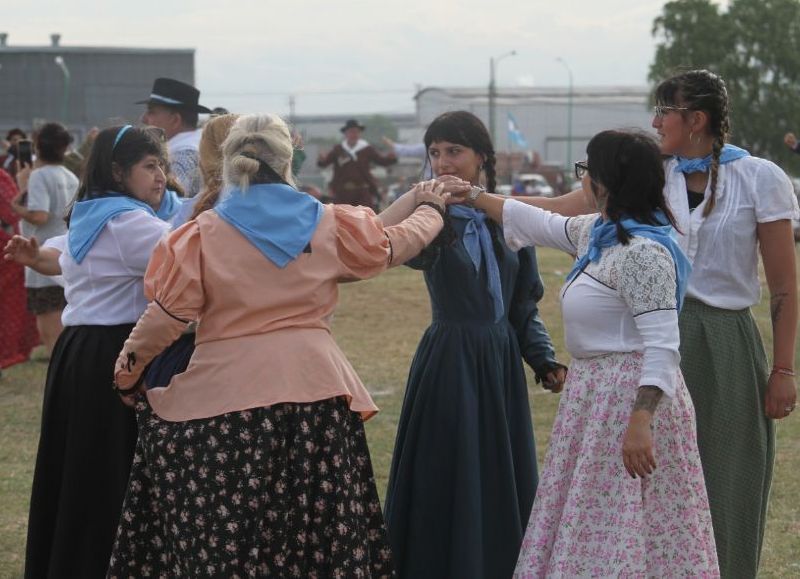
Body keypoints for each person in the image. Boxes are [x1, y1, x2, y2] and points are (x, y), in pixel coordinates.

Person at [106, 113, 447, 577]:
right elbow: (390, 246)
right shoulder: (326, 222)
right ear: (289, 160)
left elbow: (165, 319)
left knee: (237, 538)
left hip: (227, 400)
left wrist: (128, 372)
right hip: (318, 396)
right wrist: (431, 210)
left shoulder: (200, 236)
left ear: (228, 163)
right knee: (320, 534)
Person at [513, 69, 799, 578]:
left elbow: (782, 286)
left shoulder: (760, 177)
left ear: (697, 119)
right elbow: (559, 212)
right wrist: (477, 199)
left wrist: (782, 370)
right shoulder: (648, 172)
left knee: (724, 480)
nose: (654, 120)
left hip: (725, 345)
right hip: (646, 342)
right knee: (652, 490)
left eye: (665, 110)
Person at [459, 129, 717, 576]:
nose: (581, 179)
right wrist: (473, 195)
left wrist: (640, 421)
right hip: (596, 399)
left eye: (585, 170)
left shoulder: (643, 252)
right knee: (597, 518)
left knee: (631, 524)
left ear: (605, 181)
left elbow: (662, 346)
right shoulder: (599, 233)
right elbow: (539, 221)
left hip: (628, 402)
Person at [380, 110, 566, 579]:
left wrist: (543, 360)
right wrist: (424, 209)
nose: (443, 162)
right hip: (450, 362)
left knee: (498, 475)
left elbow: (523, 306)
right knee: (448, 473)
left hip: (499, 361)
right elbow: (392, 246)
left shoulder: (510, 222)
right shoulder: (432, 222)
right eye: (435, 153)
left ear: (481, 156)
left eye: (454, 151)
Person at [4, 125, 172, 578]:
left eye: (162, 166)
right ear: (118, 171)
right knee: (112, 473)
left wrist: (35, 257)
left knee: (82, 468)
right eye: (149, 166)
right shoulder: (130, 223)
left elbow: (61, 257)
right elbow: (189, 259)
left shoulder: (93, 215)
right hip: (116, 353)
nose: (160, 177)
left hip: (79, 354)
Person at [11, 123, 77, 356]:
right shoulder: (70, 176)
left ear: (37, 146)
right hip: (66, 255)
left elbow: (39, 215)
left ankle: (62, 381)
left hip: (41, 256)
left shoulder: (39, 176)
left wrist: (16, 206)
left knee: (50, 331)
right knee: (65, 326)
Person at [139, 77, 212, 197]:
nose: (143, 118)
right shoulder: (198, 148)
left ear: (175, 120)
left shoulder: (181, 157)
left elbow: (170, 204)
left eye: (151, 112)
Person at [0, 169, 39, 372]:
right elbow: (11, 211)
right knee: (10, 302)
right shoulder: (2, 178)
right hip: (6, 249)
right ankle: (10, 349)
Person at [317, 119, 397, 210]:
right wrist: (321, 159)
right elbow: (324, 163)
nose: (354, 134)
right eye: (351, 132)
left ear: (360, 133)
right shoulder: (338, 149)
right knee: (342, 218)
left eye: (356, 132)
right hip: (342, 192)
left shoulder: (367, 149)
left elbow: (381, 161)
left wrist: (391, 158)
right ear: (346, 133)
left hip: (362, 192)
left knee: (365, 217)